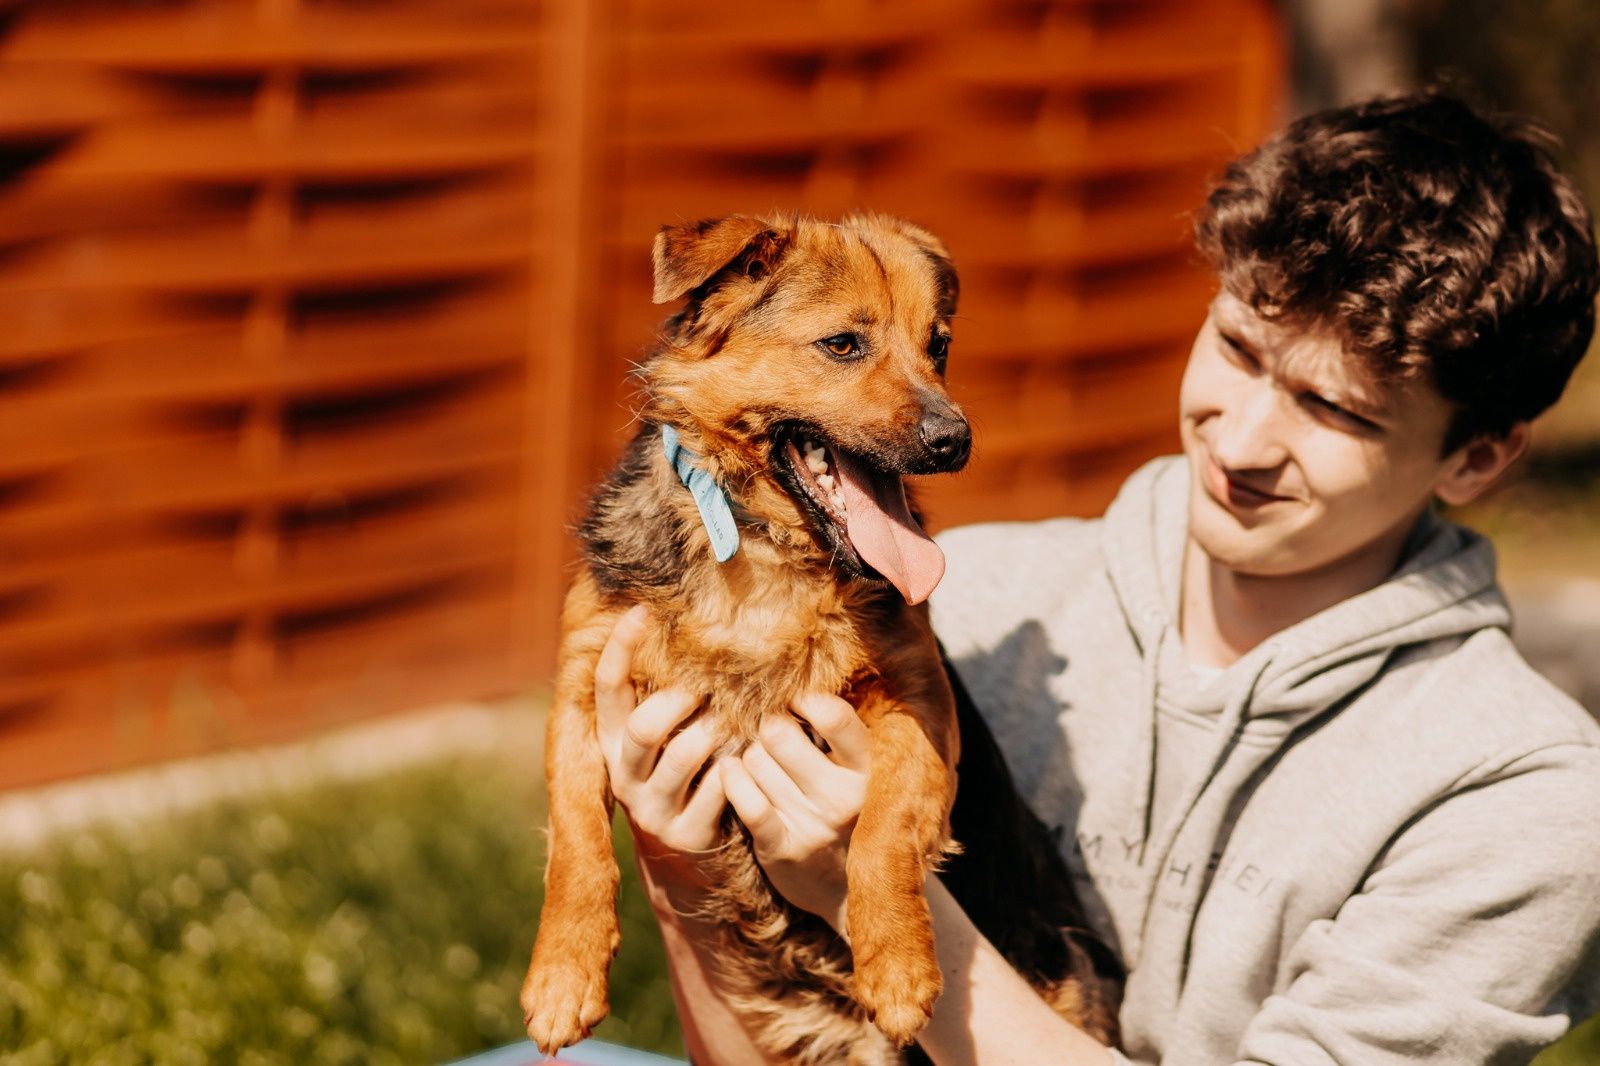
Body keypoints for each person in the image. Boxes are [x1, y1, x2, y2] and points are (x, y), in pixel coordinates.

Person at [586, 91, 1600, 1064]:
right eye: (1238, 349)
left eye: (1335, 410)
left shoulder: (1521, 805)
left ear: (1478, 459)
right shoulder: (967, 600)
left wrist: (878, 899)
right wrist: (681, 881)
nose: (1242, 441)